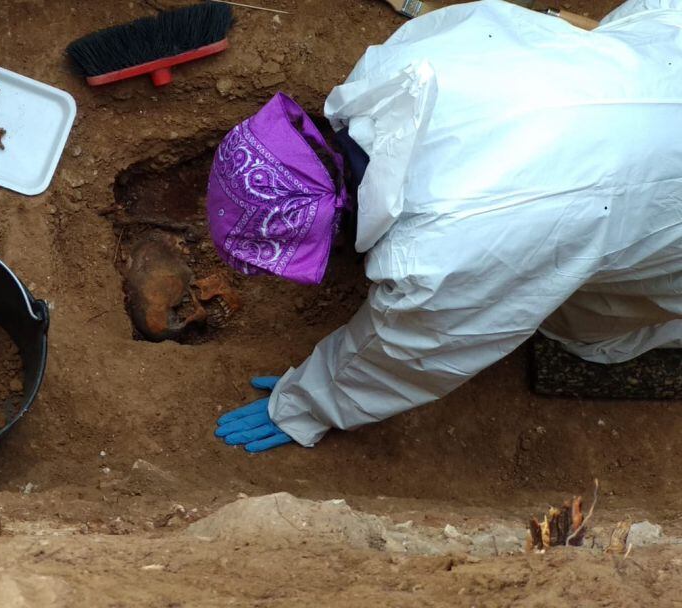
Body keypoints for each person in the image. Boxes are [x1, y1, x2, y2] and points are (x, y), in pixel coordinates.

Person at [210, 0, 682, 452]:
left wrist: (304, 404)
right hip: (659, 51)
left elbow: (406, 355)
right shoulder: (398, 65)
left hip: (661, 196)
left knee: (586, 324)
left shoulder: (437, 254)